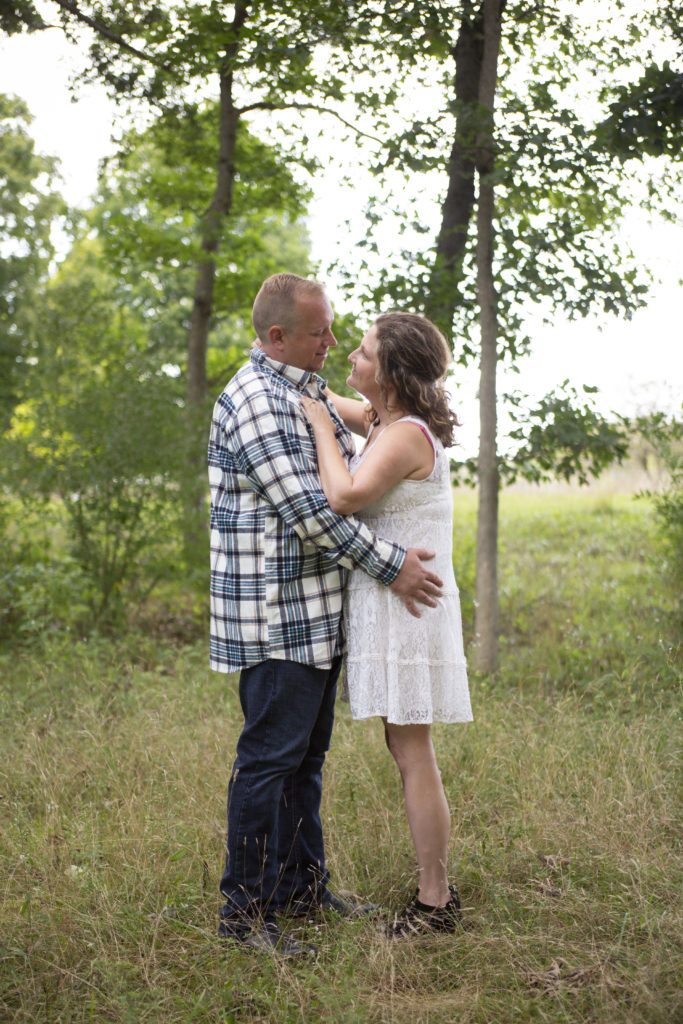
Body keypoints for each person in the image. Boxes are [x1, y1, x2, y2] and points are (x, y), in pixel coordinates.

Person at [208, 274, 445, 958]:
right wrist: (392, 567)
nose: (332, 343)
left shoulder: (302, 387)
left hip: (316, 615)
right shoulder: (256, 399)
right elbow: (313, 517)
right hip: (275, 614)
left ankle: (303, 888)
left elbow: (376, 422)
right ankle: (245, 917)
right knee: (268, 763)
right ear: (277, 336)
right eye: (320, 333)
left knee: (304, 763)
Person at [301, 311, 472, 938]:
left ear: (393, 371)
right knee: (404, 746)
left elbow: (344, 496)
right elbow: (334, 397)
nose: (351, 356)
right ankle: (436, 891)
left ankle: (436, 900)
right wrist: (303, 381)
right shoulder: (386, 419)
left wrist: (320, 423)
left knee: (412, 749)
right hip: (396, 603)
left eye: (365, 353)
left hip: (411, 608)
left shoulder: (403, 436)